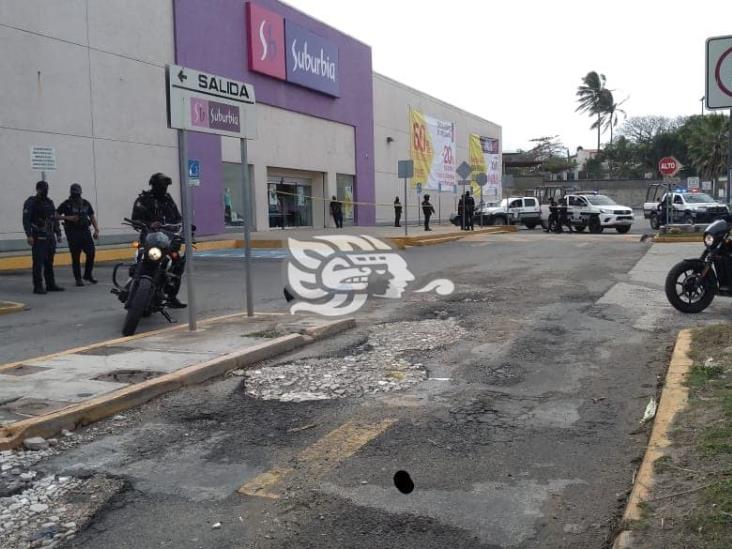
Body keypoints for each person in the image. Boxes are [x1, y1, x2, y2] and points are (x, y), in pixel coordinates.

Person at [131, 173, 186, 308]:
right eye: (161, 186)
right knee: (139, 258)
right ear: (153, 185)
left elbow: (178, 218)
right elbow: (135, 219)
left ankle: (172, 296)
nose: (164, 189)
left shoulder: (168, 199)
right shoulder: (144, 199)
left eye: (165, 186)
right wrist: (148, 224)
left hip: (167, 239)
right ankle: (133, 287)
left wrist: (181, 229)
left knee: (177, 262)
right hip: (148, 238)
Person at [23, 181, 65, 294]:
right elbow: (26, 220)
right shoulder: (31, 202)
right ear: (37, 189)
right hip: (38, 236)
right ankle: (38, 286)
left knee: (49, 262)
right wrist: (29, 235)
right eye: (43, 188)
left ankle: (50, 284)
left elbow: (54, 218)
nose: (45, 190)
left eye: (46, 188)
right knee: (38, 262)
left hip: (50, 236)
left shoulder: (49, 202)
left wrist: (58, 233)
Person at [57, 184, 99, 286]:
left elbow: (92, 216)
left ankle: (87, 275)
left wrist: (96, 229)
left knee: (91, 253)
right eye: (74, 192)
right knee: (76, 256)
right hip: (72, 232)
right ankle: (78, 278)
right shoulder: (66, 204)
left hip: (85, 231)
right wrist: (68, 218)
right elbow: (55, 215)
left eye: (77, 192)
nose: (76, 194)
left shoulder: (85, 203)